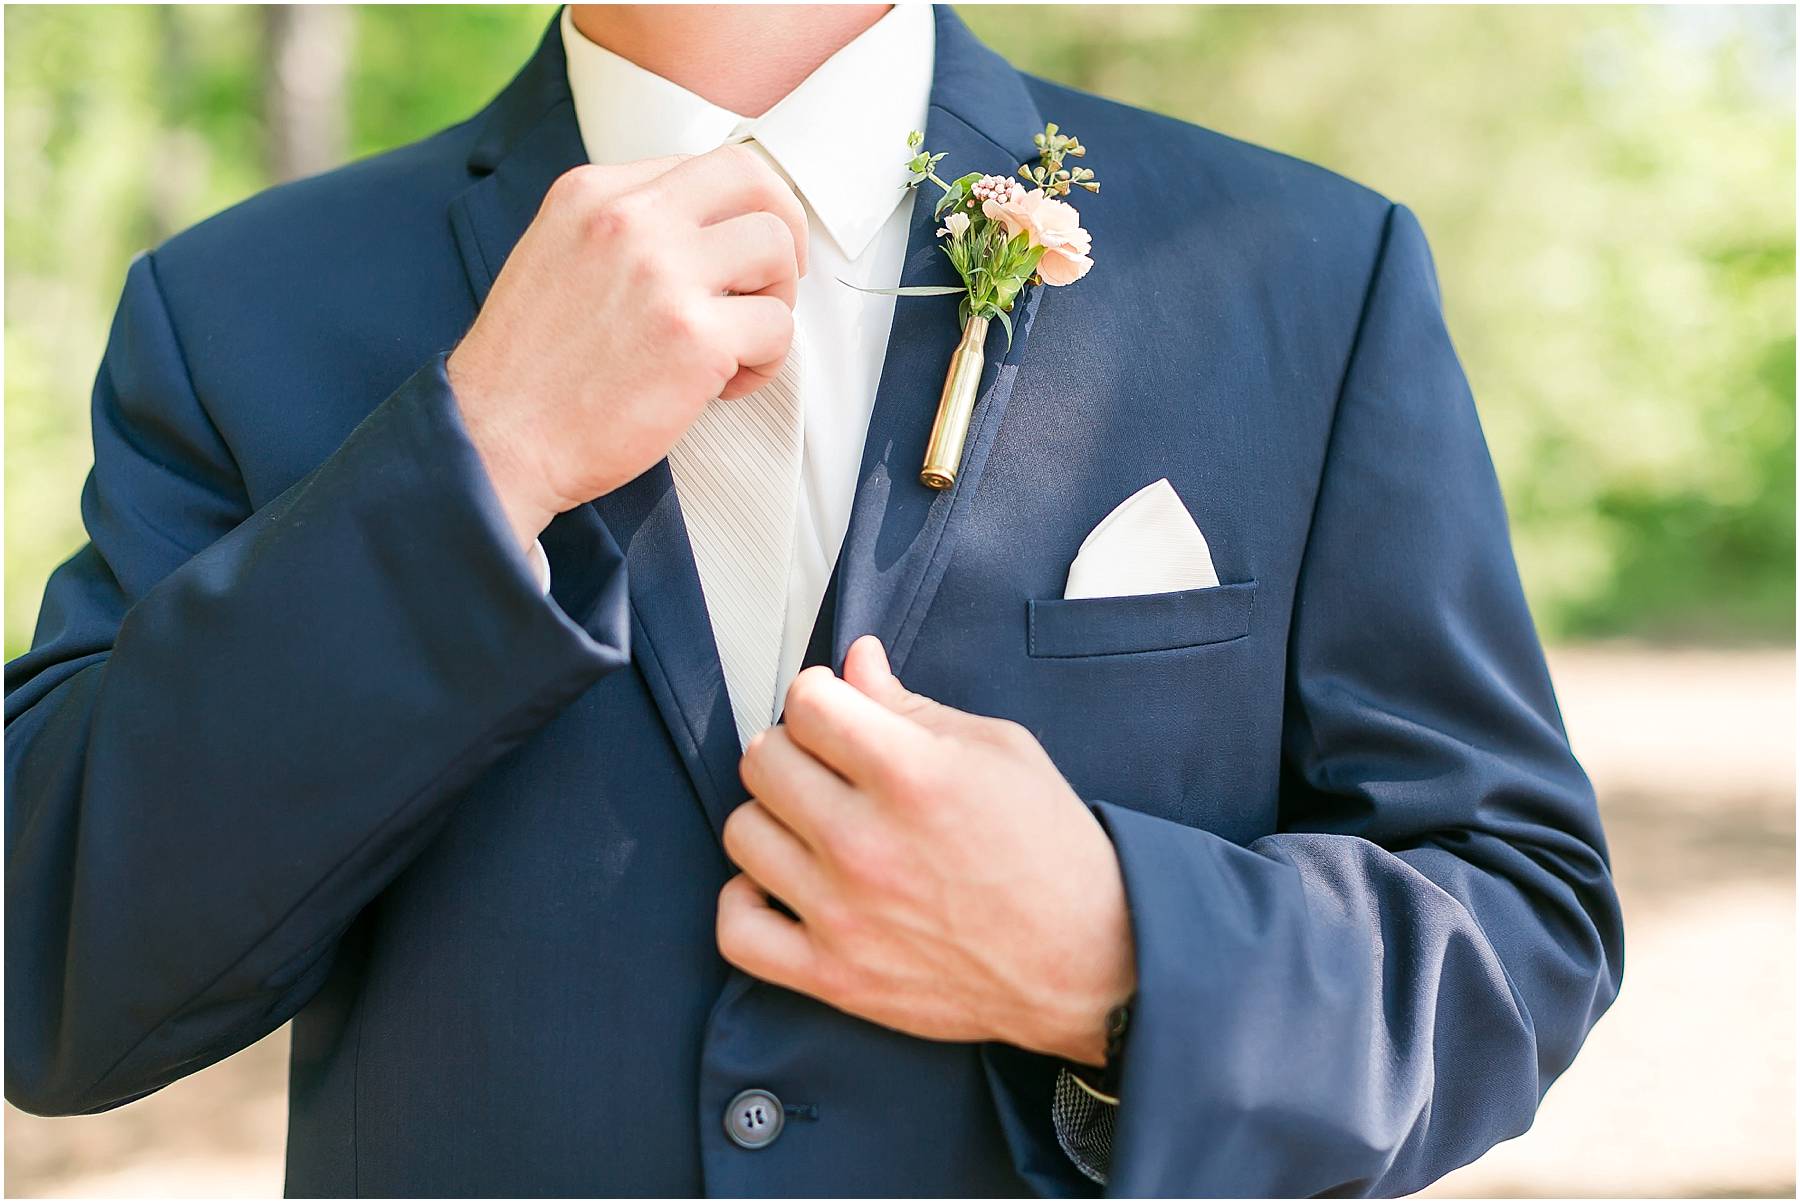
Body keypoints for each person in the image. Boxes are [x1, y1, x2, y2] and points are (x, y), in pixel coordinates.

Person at [4, 4, 1623, 1196]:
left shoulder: (1303, 271)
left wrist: (1122, 958)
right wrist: (480, 458)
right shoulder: (237, 311)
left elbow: (1523, 927)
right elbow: (48, 966)